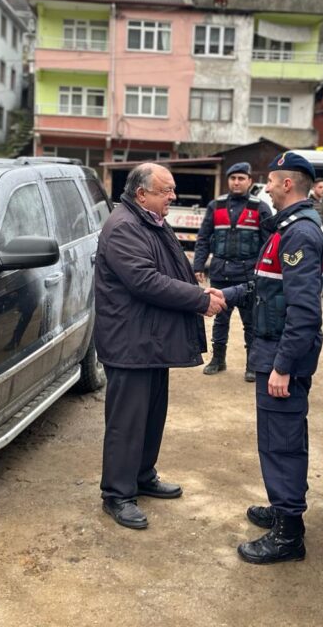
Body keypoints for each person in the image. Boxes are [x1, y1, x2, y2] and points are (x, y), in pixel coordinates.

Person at [94, 163, 226, 530]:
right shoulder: (124, 227)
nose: (173, 197)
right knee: (127, 422)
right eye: (166, 190)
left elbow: (171, 269)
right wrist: (200, 300)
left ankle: (142, 475)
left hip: (150, 340)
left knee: (151, 415)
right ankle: (117, 494)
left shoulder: (150, 221)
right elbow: (145, 281)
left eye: (172, 190)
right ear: (142, 194)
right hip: (129, 342)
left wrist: (203, 288)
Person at [220, 152, 323, 564]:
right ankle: (283, 509)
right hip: (272, 348)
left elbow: (304, 312)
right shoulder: (285, 228)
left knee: (281, 443)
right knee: (276, 438)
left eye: (270, 180)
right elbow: (264, 285)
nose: (264, 186)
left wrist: (283, 366)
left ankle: (288, 535)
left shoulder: (299, 233)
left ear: (287, 184)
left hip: (282, 354)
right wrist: (225, 296)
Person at [193, 162, 272, 381]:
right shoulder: (215, 206)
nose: (236, 182)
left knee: (252, 323)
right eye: (233, 178)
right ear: (228, 180)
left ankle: (252, 365)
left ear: (249, 181)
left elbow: (269, 244)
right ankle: (218, 359)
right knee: (220, 320)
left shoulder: (260, 208)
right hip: (221, 273)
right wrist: (198, 265)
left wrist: (264, 273)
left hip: (248, 275)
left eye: (241, 178)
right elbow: (203, 238)